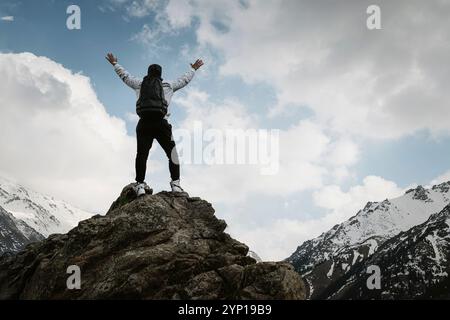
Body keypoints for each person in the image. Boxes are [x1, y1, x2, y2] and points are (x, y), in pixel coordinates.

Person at [106, 53, 204, 196]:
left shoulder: (139, 84)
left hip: (144, 123)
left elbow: (125, 76)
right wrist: (193, 69)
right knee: (172, 154)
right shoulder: (168, 85)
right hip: (161, 123)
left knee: (142, 155)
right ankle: (176, 185)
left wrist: (115, 64)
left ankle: (140, 185)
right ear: (160, 74)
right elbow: (184, 80)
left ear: (148, 73)